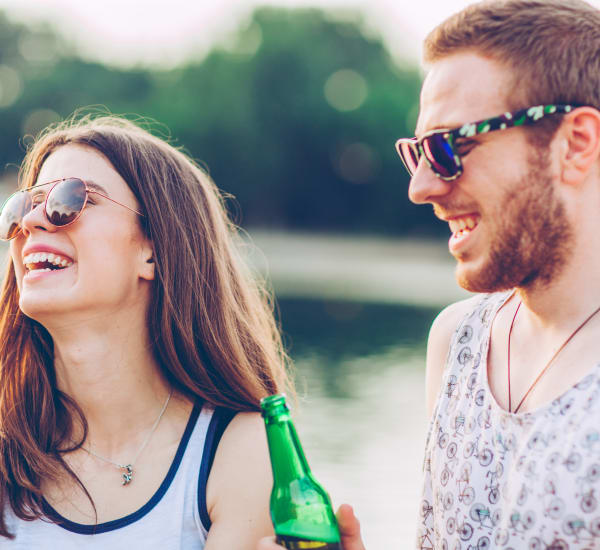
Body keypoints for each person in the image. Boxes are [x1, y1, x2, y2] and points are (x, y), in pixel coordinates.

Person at [259, 0, 600, 548]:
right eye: (415, 151)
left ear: (575, 143)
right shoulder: (457, 341)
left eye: (447, 147)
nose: (420, 188)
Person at [0, 113, 293, 548]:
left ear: (153, 252)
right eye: (24, 206)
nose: (34, 223)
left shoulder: (238, 450)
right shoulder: (9, 454)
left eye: (71, 199)